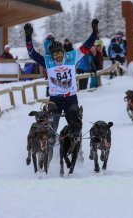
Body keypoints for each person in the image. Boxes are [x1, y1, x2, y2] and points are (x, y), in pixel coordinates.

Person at [24, 18, 99, 160]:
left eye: (60, 53)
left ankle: (79, 151)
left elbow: (87, 46)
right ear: (51, 55)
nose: (58, 57)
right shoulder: (47, 61)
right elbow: (32, 53)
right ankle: (48, 155)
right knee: (51, 129)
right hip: (55, 100)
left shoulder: (72, 56)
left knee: (75, 127)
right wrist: (28, 37)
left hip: (71, 98)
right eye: (55, 55)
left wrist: (94, 32)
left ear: (63, 52)